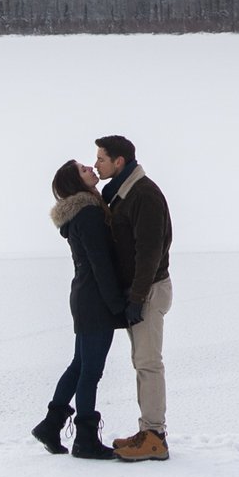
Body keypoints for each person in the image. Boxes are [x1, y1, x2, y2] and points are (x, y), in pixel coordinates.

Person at [32, 159, 129, 460]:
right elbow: (101, 264)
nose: (90, 168)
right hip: (95, 300)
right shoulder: (88, 213)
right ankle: (85, 440)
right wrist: (117, 304)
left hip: (86, 297)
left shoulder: (84, 211)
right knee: (90, 371)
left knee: (79, 364)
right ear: (76, 182)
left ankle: (51, 425)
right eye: (83, 169)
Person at [92, 133, 172, 460]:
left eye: (101, 159)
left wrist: (138, 297)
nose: (96, 164)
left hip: (149, 290)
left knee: (149, 363)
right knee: (142, 362)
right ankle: (147, 432)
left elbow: (150, 251)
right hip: (141, 290)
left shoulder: (143, 195)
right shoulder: (124, 193)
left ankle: (155, 436)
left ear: (119, 161)